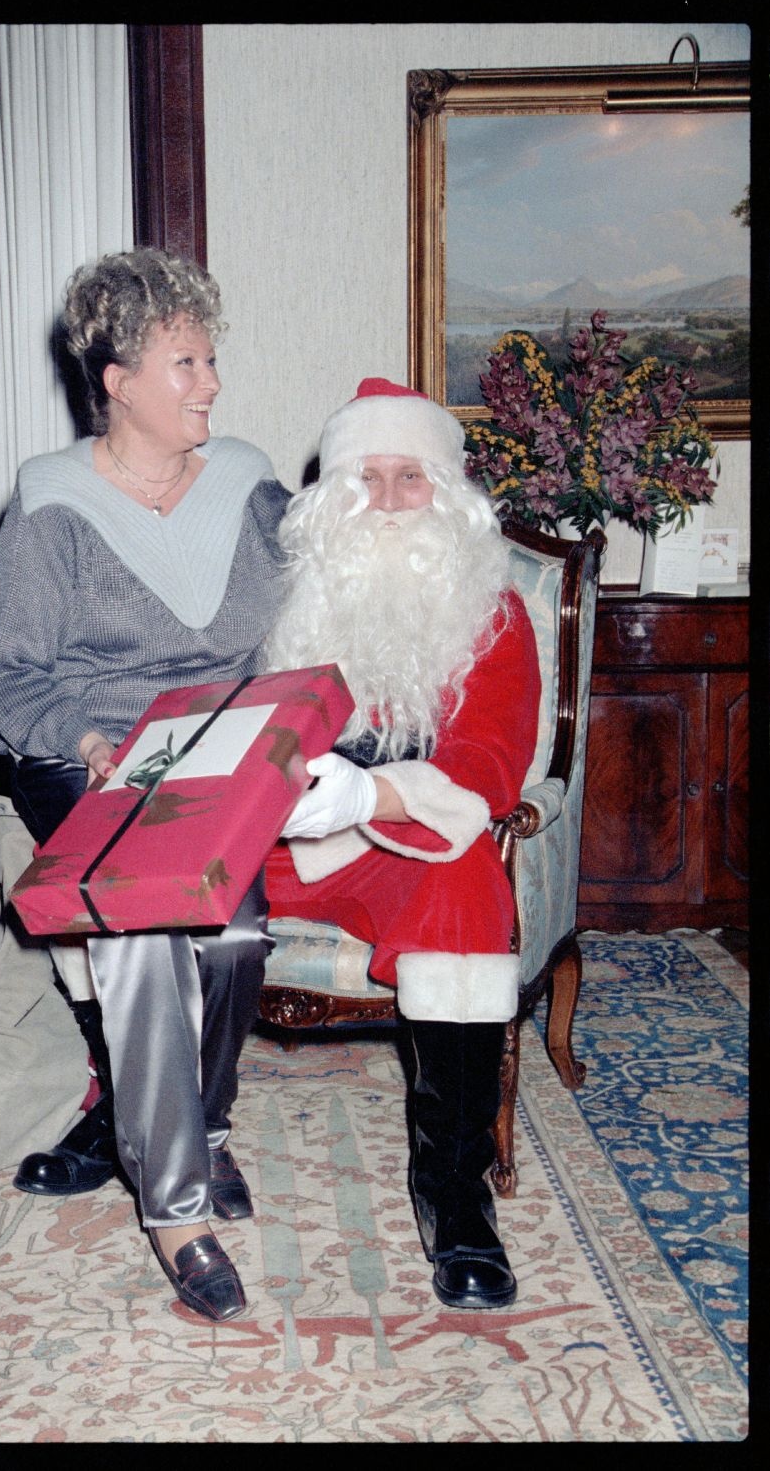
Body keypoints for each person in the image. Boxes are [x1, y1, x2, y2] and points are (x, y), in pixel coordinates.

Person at [0, 247, 290, 1323]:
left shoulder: (248, 484)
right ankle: (177, 1207)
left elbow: (311, 617)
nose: (210, 381)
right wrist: (88, 737)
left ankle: (200, 1121)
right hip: (96, 756)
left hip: (226, 751)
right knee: (148, 930)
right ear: (117, 381)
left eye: (210, 359)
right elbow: (11, 676)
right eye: (185, 362)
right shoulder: (50, 510)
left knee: (238, 936)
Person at [266, 378, 541, 1310]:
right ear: (329, 498)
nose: (384, 501)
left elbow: (490, 764)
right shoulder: (286, 602)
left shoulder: (492, 615)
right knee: (166, 867)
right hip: (284, 845)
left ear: (449, 494)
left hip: (403, 845)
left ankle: (454, 1194)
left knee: (465, 882)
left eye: (409, 478)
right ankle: (135, 1130)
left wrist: (369, 792)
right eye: (364, 478)